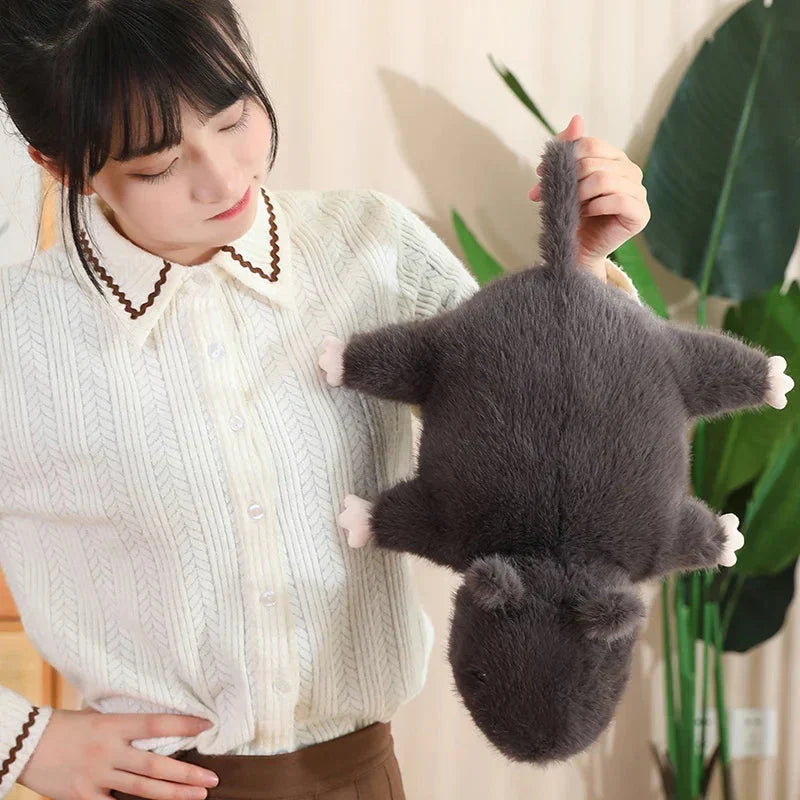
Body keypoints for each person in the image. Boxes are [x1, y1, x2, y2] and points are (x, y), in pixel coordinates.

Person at [0, 2, 651, 799]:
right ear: (61, 163)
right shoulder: (19, 335)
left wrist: (581, 270)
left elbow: (556, 466)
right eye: (159, 165)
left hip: (361, 778)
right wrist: (25, 743)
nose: (223, 177)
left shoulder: (370, 247)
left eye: (233, 115)